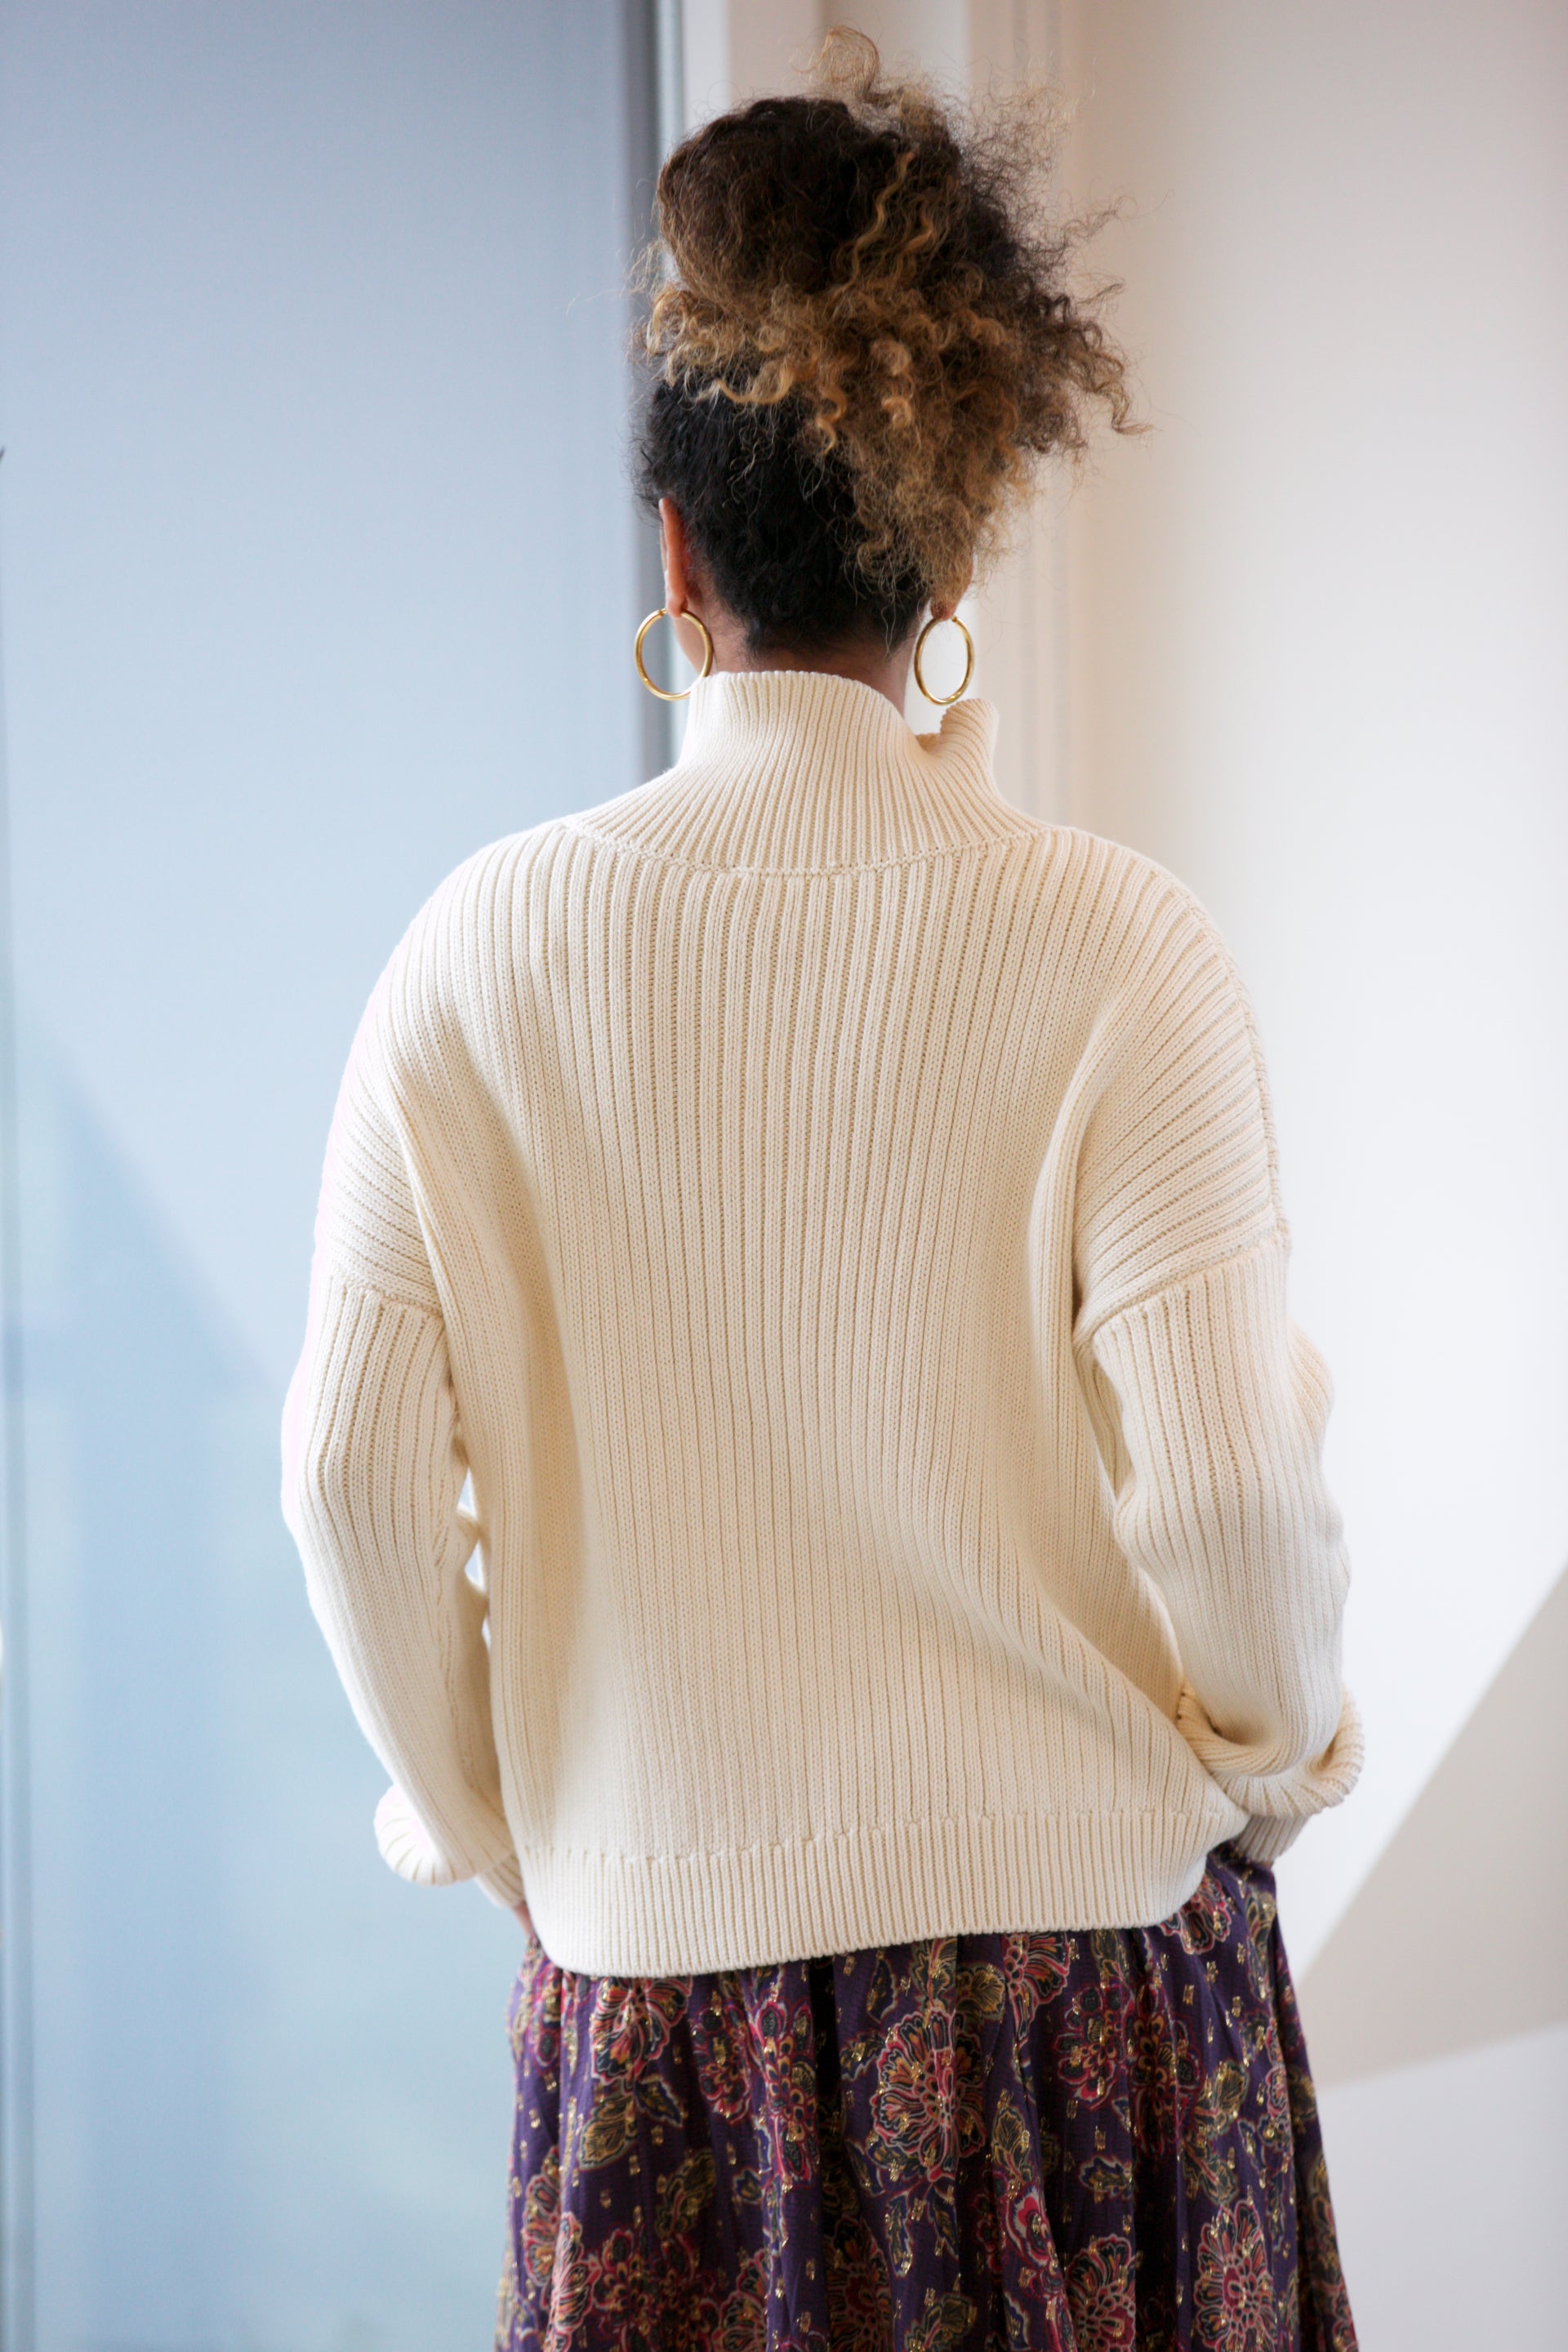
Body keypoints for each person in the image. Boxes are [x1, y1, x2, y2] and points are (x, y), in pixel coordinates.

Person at [282, 32, 1361, 2352]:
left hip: (669, 2030)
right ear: (953, 548)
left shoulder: (476, 956)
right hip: (1087, 2018)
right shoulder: (1119, 947)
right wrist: (1268, 1770)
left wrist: (515, 1831)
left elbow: (347, 1476)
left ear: (673, 554)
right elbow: (1231, 1505)